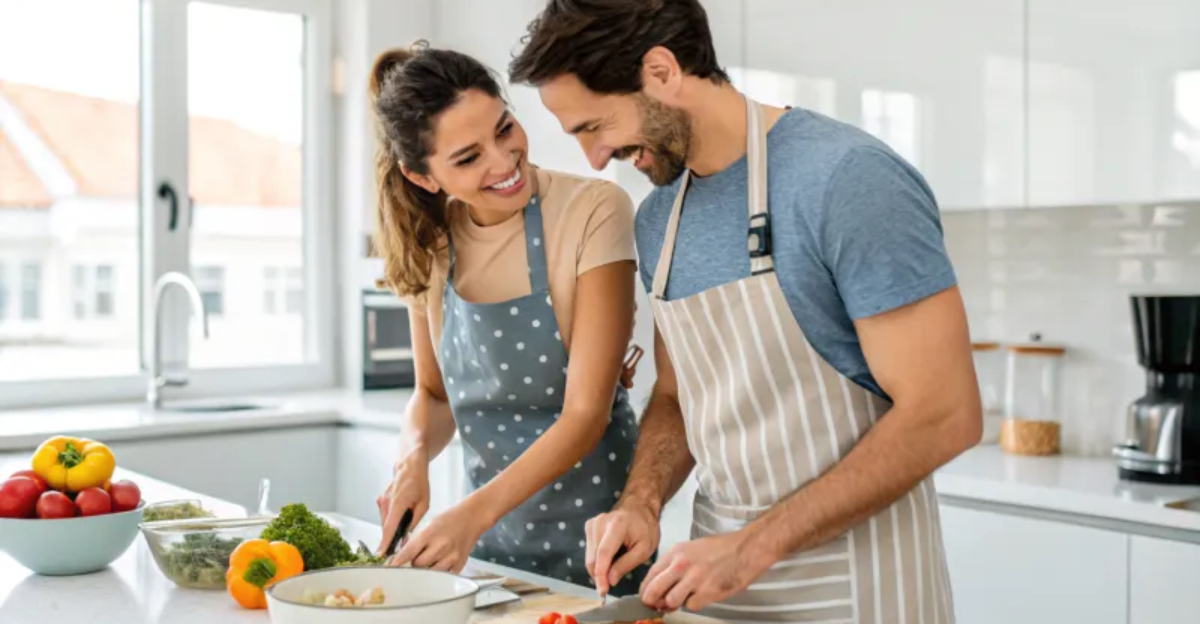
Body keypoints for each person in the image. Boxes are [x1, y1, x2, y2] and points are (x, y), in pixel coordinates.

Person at [508, 1, 982, 621]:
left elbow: (945, 414)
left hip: (860, 590)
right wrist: (642, 502)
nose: (596, 159)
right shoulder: (659, 221)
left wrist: (751, 548)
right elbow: (679, 398)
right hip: (718, 594)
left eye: (594, 127)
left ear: (661, 71)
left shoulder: (847, 181)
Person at [370, 42, 648, 593]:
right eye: (468, 158)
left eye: (504, 129)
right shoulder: (429, 243)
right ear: (423, 177)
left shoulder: (592, 211)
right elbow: (433, 396)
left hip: (603, 548)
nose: (503, 162)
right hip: (491, 558)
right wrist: (413, 456)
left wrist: (468, 515)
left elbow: (586, 413)